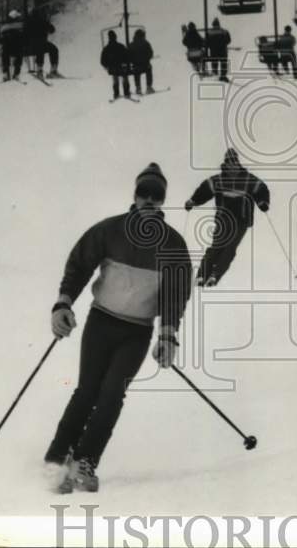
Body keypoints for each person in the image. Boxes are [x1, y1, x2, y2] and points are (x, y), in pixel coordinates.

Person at [44, 163, 192, 492]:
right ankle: (56, 457)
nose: (150, 200)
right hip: (102, 321)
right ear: (135, 196)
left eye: (157, 196)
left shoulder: (173, 245)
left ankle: (85, 461)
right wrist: (63, 302)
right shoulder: (111, 230)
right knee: (87, 390)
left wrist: (168, 333)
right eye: (144, 193)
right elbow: (80, 263)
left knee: (112, 394)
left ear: (163, 200)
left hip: (137, 332)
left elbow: (176, 293)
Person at [186, 149, 270, 287]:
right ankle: (202, 275)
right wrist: (193, 201)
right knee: (217, 246)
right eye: (229, 163)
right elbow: (205, 190)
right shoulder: (218, 180)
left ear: (238, 164)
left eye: (234, 163)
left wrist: (263, 202)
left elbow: (261, 189)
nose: (232, 167)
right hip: (224, 219)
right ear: (225, 164)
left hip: (241, 219)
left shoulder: (248, 179)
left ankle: (215, 275)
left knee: (230, 247)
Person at [26, 6, 61, 79]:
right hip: (41, 44)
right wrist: (47, 23)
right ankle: (52, 70)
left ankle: (40, 70)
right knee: (53, 49)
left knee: (41, 48)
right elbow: (52, 30)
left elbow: (24, 34)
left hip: (29, 46)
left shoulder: (28, 22)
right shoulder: (42, 21)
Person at [100, 30, 131, 100]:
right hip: (121, 67)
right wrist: (126, 63)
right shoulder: (121, 46)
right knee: (124, 77)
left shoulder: (106, 49)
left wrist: (107, 66)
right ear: (115, 37)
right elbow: (127, 56)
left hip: (112, 68)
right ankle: (126, 92)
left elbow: (102, 61)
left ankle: (116, 93)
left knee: (115, 78)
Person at [0, 9, 25, 81]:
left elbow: (1, 40)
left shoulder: (3, 27)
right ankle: (16, 73)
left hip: (7, 49)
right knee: (19, 55)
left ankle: (5, 74)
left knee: (4, 56)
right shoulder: (20, 25)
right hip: (17, 48)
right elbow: (23, 36)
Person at [128, 28, 155, 95]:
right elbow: (150, 53)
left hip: (136, 66)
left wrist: (133, 61)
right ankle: (149, 87)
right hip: (145, 65)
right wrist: (146, 58)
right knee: (149, 69)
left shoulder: (131, 45)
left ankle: (138, 88)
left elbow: (128, 56)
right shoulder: (146, 43)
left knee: (136, 72)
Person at [205, 18, 232, 82]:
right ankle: (223, 76)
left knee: (214, 62)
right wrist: (223, 43)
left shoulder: (209, 32)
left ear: (213, 25)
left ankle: (215, 74)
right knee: (223, 63)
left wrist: (211, 45)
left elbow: (206, 42)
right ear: (219, 24)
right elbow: (228, 40)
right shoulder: (224, 31)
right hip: (223, 51)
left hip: (213, 51)